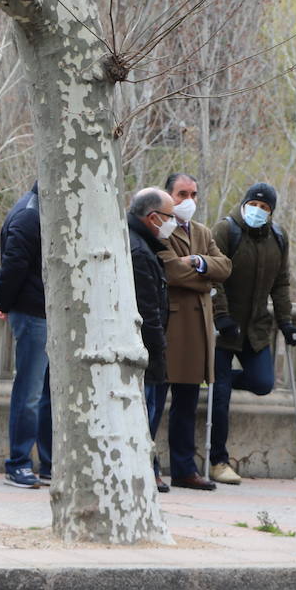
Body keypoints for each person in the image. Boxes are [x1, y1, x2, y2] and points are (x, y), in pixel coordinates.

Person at [210, 182, 296, 485]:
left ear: (271, 212)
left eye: (265, 208)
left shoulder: (278, 238)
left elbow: (281, 282)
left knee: (263, 383)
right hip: (225, 328)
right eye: (255, 205)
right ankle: (218, 460)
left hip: (256, 329)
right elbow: (213, 277)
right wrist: (221, 316)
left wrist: (286, 322)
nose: (258, 211)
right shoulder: (226, 230)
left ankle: (212, 379)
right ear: (245, 203)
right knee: (220, 397)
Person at [155, 173, 232, 492]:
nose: (189, 200)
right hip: (170, 325)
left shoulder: (202, 231)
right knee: (155, 401)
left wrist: (199, 262)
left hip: (198, 328)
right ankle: (150, 467)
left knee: (187, 403)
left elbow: (224, 267)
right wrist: (205, 274)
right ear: (168, 196)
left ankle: (184, 468)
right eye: (181, 194)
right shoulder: (161, 231)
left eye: (194, 194)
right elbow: (170, 271)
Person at [0, 181, 49, 489]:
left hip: (45, 312)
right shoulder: (29, 215)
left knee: (47, 393)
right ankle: (18, 462)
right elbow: (12, 265)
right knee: (30, 392)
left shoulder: (40, 209)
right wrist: (5, 302)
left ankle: (49, 464)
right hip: (32, 312)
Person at [126, 187, 173, 483]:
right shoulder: (139, 252)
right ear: (153, 217)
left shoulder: (139, 244)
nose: (173, 223)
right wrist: (159, 347)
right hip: (146, 347)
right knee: (146, 410)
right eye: (169, 217)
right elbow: (147, 309)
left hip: (147, 344)